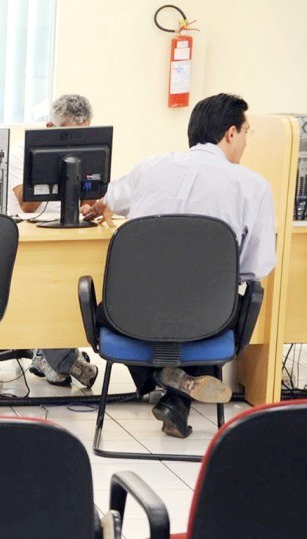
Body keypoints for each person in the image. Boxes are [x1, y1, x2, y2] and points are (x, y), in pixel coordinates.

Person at [83, 93, 277, 438]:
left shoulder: (149, 168)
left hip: (131, 316)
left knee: (108, 311)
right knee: (219, 299)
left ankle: (162, 380)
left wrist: (102, 207)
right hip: (208, 318)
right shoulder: (254, 187)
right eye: (246, 132)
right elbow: (254, 267)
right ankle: (175, 392)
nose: (246, 142)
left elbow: (110, 198)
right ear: (230, 133)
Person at [6, 94, 99, 389]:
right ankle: (65, 360)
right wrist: (57, 167)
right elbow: (28, 206)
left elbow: (91, 199)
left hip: (72, 233)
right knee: (49, 287)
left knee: (84, 282)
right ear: (49, 127)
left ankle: (51, 357)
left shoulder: (90, 151)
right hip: (30, 238)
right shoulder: (21, 153)